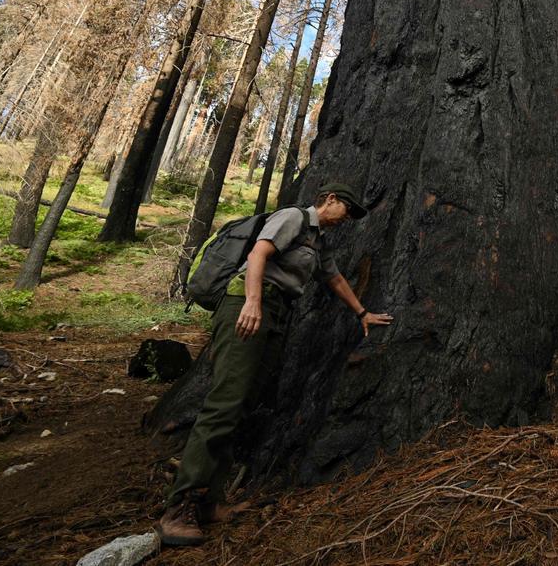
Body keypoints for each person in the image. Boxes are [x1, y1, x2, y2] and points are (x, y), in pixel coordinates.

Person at [156, 182, 392, 546]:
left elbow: (334, 277)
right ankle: (178, 509)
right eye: (347, 210)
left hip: (276, 313)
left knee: (243, 405)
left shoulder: (317, 241)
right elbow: (258, 255)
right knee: (225, 404)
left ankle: (209, 503)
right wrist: (252, 301)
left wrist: (362, 312)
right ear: (329, 199)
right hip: (248, 306)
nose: (347, 220)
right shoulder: (293, 218)